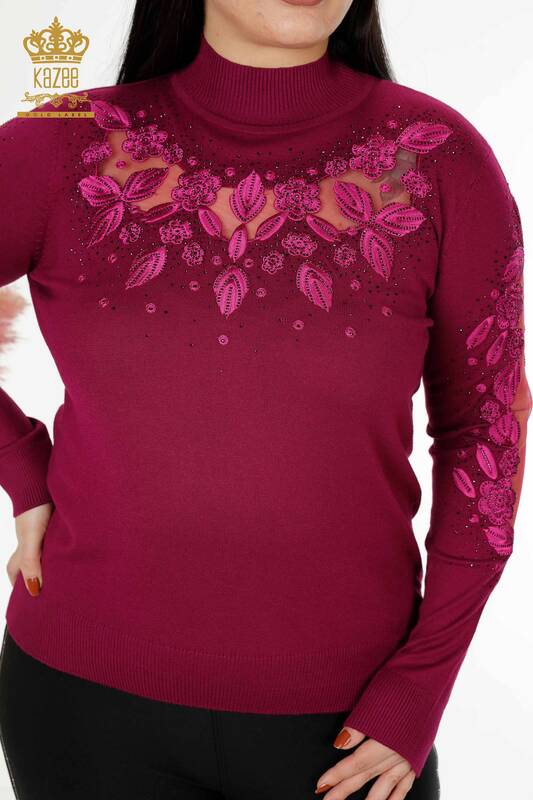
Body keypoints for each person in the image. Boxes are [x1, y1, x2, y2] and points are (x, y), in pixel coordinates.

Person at [0, 1, 529, 798]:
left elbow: (484, 425)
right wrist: (20, 465)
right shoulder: (65, 145)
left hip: (353, 727)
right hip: (81, 707)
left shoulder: (435, 160)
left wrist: (421, 683)